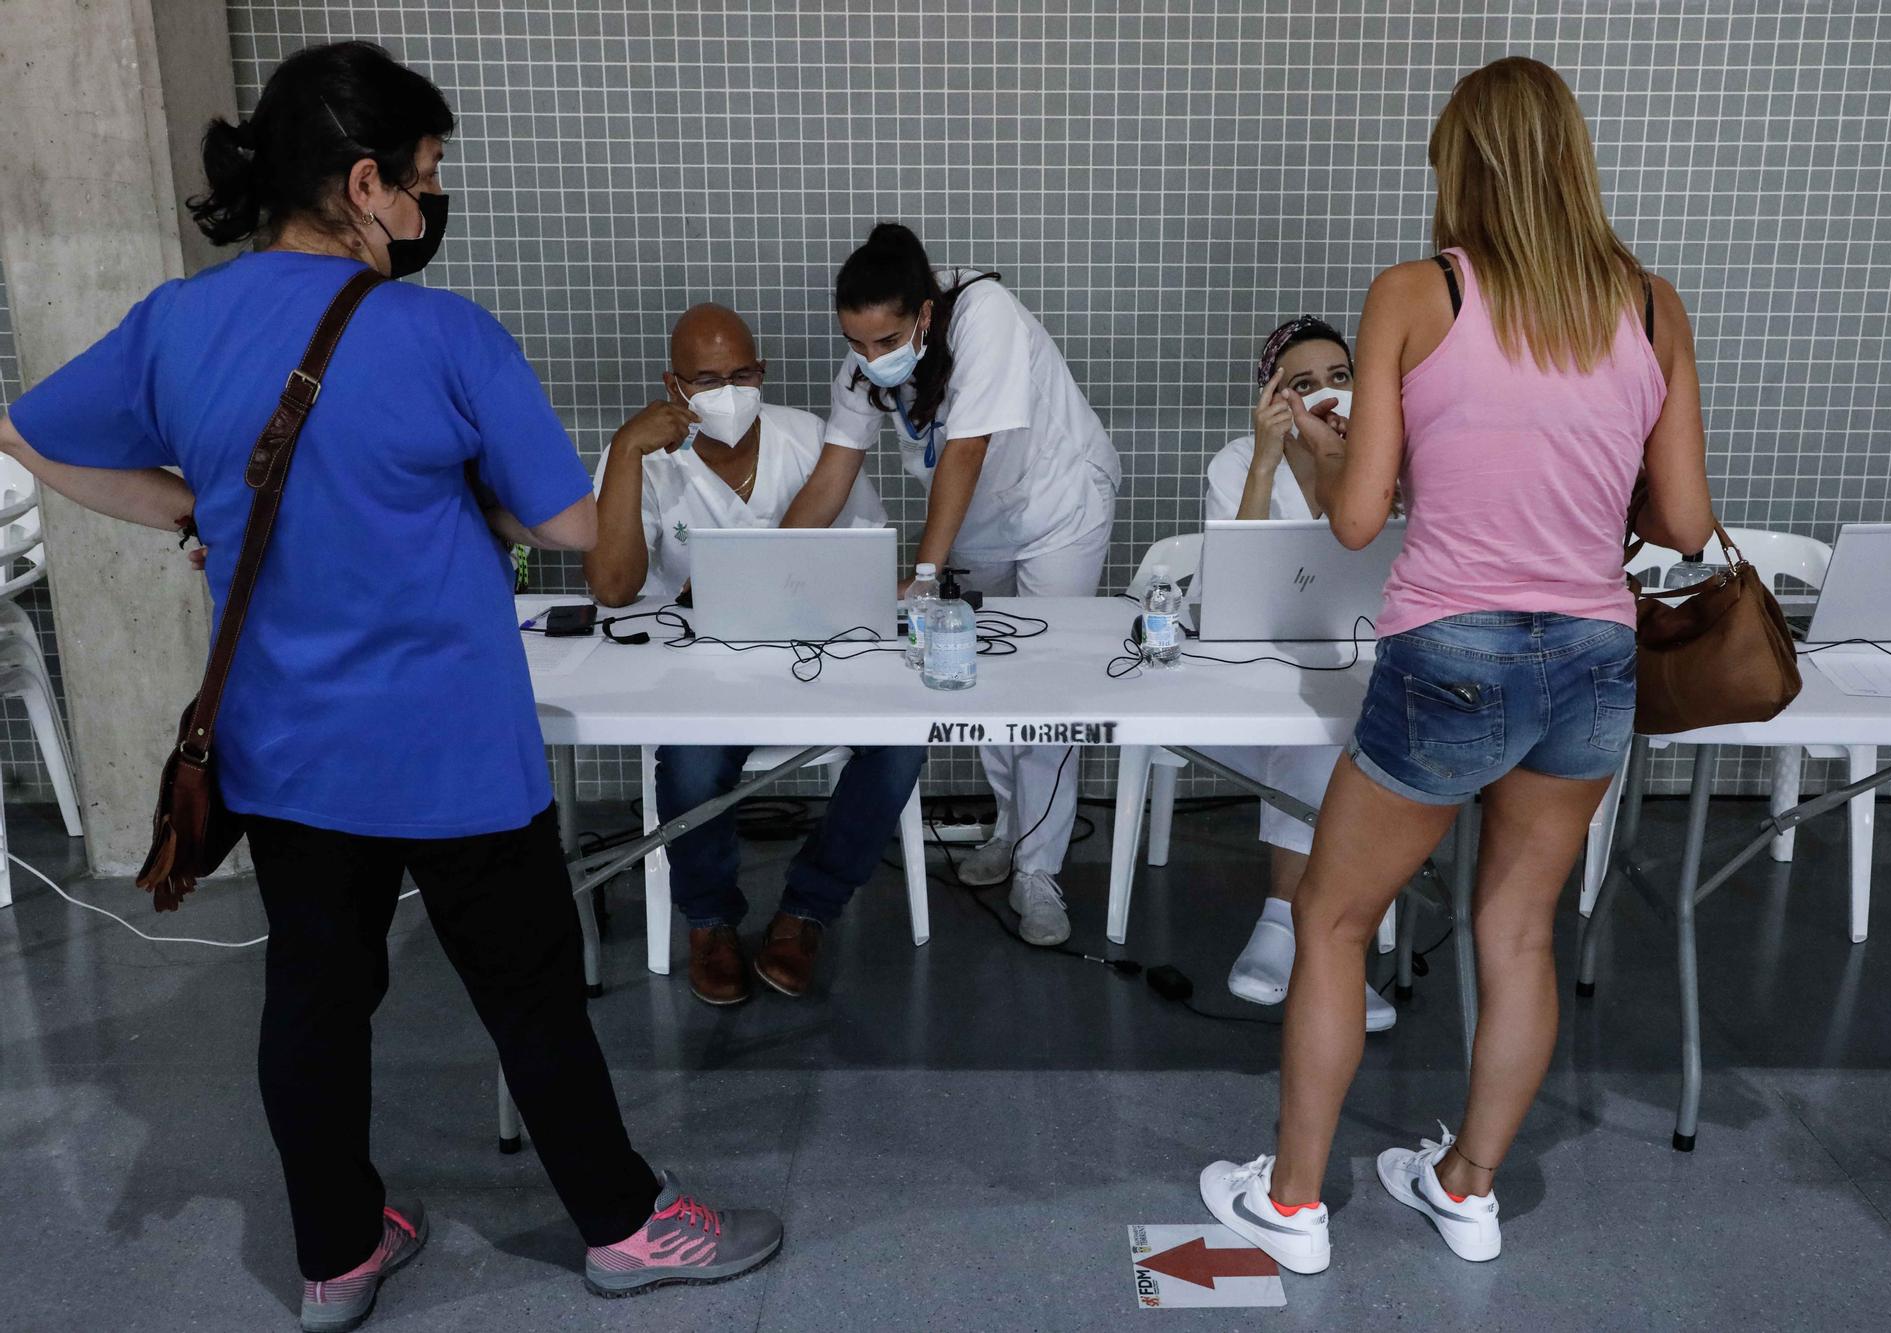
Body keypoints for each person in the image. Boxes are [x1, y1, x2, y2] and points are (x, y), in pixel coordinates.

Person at [0, 43, 780, 1329]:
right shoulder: (446, 333)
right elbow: (578, 532)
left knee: (315, 997)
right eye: (423, 180)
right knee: (529, 994)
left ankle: (337, 1253)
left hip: (286, 748)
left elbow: (27, 429)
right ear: (366, 185)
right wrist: (635, 443)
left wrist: (189, 505)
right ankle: (626, 1228)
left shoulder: (176, 323)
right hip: (451, 748)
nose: (428, 206)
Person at [1200, 56, 1714, 1273]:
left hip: (1453, 652)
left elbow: (1359, 520)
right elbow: (1686, 525)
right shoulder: (1650, 306)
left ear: (1457, 165)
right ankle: (1465, 1189)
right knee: (1519, 933)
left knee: (1330, 920)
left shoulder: (1412, 295)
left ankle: (1288, 1203)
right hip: (1594, 656)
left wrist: (1328, 451)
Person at [781, 223, 1122, 948]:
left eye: (886, 340)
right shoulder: (864, 367)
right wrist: (768, 566)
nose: (871, 358)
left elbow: (967, 448)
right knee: (985, 676)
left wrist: (928, 574)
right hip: (973, 521)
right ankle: (1010, 826)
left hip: (1056, 507)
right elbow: (833, 474)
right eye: (857, 342)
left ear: (924, 314)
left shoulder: (983, 313)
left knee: (1049, 691)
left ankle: (1040, 869)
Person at [582, 302, 926, 1005]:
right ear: (674, 385)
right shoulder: (646, 461)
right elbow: (612, 588)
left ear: (762, 373)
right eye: (706, 379)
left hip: (819, 661)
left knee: (902, 740)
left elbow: (869, 555)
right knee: (690, 759)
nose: (728, 392)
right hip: (700, 673)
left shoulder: (808, 441)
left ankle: (808, 910)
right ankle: (710, 922)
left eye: (742, 374)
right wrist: (623, 449)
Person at [1195, 318, 1394, 1033]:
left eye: (1341, 378)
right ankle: (1321, 944)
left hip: (1353, 668)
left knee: (1341, 727)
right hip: (1243, 689)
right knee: (1322, 730)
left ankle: (1296, 930)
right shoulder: (1236, 461)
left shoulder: (1387, 459)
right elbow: (1231, 587)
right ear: (1272, 394)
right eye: (1302, 384)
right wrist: (1267, 459)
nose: (1327, 395)